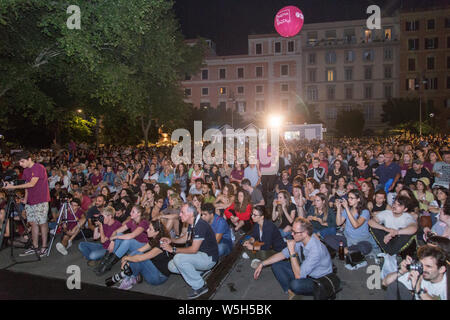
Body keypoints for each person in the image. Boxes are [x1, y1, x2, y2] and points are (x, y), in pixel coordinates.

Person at [253, 217, 334, 300]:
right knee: (276, 266)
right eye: (292, 231)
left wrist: (292, 251)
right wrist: (262, 264)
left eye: (294, 232)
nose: (292, 234)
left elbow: (299, 276)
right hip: (306, 270)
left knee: (295, 284)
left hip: (318, 279)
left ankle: (296, 289)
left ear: (305, 233)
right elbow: (282, 254)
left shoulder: (316, 250)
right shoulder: (301, 240)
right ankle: (291, 292)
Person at [160, 203, 218, 300]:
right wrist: (172, 240)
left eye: (182, 212)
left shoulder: (200, 225)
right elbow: (186, 238)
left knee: (178, 258)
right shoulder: (193, 223)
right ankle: (199, 271)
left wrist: (173, 249)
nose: (180, 215)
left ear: (191, 213)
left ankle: (200, 286)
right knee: (171, 266)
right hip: (200, 255)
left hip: (209, 258)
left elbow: (193, 249)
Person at [3, 151, 51, 257]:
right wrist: (25, 198)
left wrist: (13, 187)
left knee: (42, 223)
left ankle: (44, 247)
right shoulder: (25, 171)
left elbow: (31, 183)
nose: (20, 164)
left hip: (41, 200)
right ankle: (34, 246)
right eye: (19, 162)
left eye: (22, 161)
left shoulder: (39, 167)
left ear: (29, 159)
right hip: (30, 201)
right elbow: (26, 186)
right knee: (33, 223)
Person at [323, 189, 379, 270]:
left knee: (365, 247)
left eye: (352, 198)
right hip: (348, 239)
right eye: (348, 198)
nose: (349, 200)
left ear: (358, 199)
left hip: (362, 240)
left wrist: (346, 208)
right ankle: (349, 252)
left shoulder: (365, 212)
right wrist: (339, 208)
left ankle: (346, 251)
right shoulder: (347, 210)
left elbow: (355, 225)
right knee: (328, 238)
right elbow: (338, 223)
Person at [368, 196, 418, 278]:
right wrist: (386, 229)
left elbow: (414, 228)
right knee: (374, 228)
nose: (395, 206)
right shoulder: (387, 213)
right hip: (387, 239)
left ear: (405, 209)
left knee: (408, 233)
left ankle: (390, 254)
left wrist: (395, 232)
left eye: (399, 205)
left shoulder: (407, 217)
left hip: (399, 240)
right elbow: (371, 222)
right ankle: (391, 254)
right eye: (394, 203)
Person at [118, 220, 173, 290]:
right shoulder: (155, 239)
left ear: (157, 232)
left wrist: (126, 258)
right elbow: (138, 250)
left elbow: (140, 258)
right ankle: (132, 276)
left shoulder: (162, 244)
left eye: (150, 229)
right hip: (154, 269)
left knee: (138, 257)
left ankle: (130, 279)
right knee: (136, 254)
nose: (147, 230)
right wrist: (127, 259)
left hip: (159, 277)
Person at [96, 205, 149, 275]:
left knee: (127, 240)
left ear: (139, 214)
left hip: (143, 246)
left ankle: (108, 264)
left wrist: (115, 238)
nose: (130, 213)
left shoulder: (144, 222)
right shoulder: (132, 221)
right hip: (133, 244)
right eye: (131, 211)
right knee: (119, 234)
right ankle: (105, 261)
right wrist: (112, 242)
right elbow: (116, 232)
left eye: (133, 212)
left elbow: (132, 235)